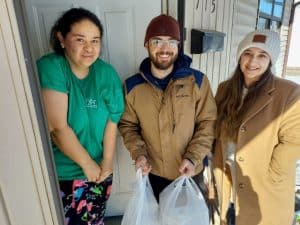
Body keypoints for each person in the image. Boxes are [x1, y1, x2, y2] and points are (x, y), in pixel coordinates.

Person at [36, 8, 124, 225]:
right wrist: (87, 164)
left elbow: (112, 122)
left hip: (99, 173)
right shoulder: (52, 67)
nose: (89, 48)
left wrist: (106, 163)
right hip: (64, 175)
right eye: (80, 39)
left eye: (95, 40)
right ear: (62, 39)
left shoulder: (107, 74)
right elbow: (57, 127)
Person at [118, 14, 217, 203]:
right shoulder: (132, 86)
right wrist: (139, 154)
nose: (165, 49)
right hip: (154, 174)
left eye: (171, 42)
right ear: (147, 44)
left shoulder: (197, 81)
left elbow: (208, 122)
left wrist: (192, 158)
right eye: (157, 41)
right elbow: (128, 126)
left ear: (178, 46)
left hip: (191, 172)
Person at [213, 29, 300, 225]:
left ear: (271, 60)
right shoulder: (225, 89)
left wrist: (273, 173)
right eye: (248, 54)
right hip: (228, 185)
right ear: (239, 56)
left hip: (263, 190)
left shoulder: (290, 93)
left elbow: (294, 142)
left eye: (262, 55)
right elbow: (213, 129)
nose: (253, 62)